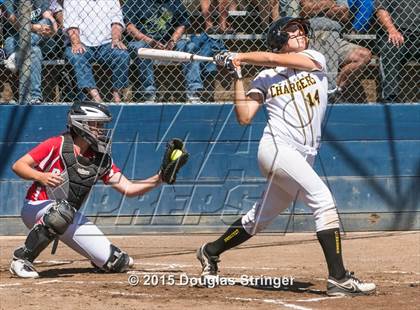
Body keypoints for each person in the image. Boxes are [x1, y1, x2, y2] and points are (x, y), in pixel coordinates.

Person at [196, 17, 376, 296]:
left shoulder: (314, 58)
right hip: (277, 149)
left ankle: (210, 251)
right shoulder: (264, 78)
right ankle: (338, 278)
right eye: (293, 30)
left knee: (258, 219)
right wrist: (237, 73)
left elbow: (269, 57)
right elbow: (244, 116)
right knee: (323, 201)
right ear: (279, 37)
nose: (300, 32)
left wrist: (238, 54)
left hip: (303, 156)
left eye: (302, 29)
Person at [9, 101, 188, 278]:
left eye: (102, 125)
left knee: (116, 263)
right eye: (97, 124)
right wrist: (41, 176)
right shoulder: (57, 144)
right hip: (36, 207)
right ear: (81, 124)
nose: (101, 129)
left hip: (66, 215)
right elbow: (19, 166)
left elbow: (129, 189)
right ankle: (22, 259)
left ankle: (103, 257)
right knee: (61, 213)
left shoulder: (99, 157)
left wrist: (159, 178)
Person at [123, 0, 204, 103]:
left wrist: (173, 41)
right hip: (142, 41)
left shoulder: (174, 2)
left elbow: (182, 24)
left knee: (190, 46)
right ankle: (149, 94)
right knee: (141, 48)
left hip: (167, 42)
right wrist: (150, 41)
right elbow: (129, 27)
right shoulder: (135, 2)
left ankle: (194, 93)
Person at [63, 0, 130, 103]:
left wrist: (116, 39)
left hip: (106, 44)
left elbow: (117, 22)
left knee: (122, 55)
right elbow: (71, 25)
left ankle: (117, 95)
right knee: (76, 56)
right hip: (82, 43)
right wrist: (76, 42)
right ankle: (96, 97)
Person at [300, 0, 371, 93]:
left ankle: (335, 88)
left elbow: (344, 15)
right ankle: (322, 90)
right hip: (313, 34)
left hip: (336, 37)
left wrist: (318, 7)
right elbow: (305, 10)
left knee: (363, 55)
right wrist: (330, 3)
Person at [2, 0, 58, 104]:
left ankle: (18, 55)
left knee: (47, 22)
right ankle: (35, 97)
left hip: (39, 39)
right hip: (15, 40)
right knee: (35, 51)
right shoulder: (9, 2)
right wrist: (36, 27)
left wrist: (52, 29)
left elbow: (49, 19)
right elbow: (16, 23)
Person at [375, 0, 419, 102]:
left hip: (417, 35)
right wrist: (392, 29)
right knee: (390, 47)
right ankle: (390, 97)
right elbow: (380, 9)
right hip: (397, 33)